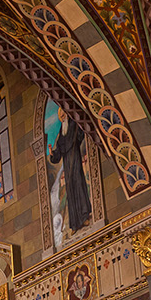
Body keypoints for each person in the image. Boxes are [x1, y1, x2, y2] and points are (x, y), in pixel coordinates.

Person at [46, 105, 92, 246]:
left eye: (64, 115)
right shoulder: (62, 134)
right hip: (67, 164)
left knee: (79, 185)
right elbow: (58, 154)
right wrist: (52, 154)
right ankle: (74, 224)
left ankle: (84, 216)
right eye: (61, 117)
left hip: (76, 160)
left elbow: (80, 136)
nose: (63, 117)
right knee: (71, 193)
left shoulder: (73, 125)